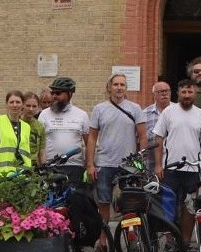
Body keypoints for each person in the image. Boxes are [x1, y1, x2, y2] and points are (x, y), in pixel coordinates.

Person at [154, 79, 201, 242]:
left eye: (190, 92)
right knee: (169, 206)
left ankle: (185, 243)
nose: (187, 95)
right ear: (178, 93)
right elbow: (158, 139)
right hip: (171, 168)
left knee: (189, 208)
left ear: (195, 93)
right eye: (184, 92)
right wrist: (158, 165)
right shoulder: (168, 112)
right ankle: (169, 243)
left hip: (193, 169)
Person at [87, 73, 147, 232]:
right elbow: (92, 138)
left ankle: (133, 240)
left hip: (129, 164)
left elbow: (142, 136)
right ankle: (103, 242)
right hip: (105, 162)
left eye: (122, 85)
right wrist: (90, 164)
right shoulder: (99, 109)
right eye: (116, 84)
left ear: (126, 88)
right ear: (109, 87)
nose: (119, 88)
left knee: (132, 202)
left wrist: (141, 162)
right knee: (104, 203)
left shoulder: (135, 108)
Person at [39, 77, 90, 184]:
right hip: (51, 166)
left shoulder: (82, 115)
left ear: (70, 94)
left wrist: (89, 165)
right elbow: (40, 143)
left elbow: (88, 143)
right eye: (52, 93)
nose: (54, 96)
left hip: (75, 167)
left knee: (74, 199)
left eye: (58, 93)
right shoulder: (44, 114)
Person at [0, 90, 35, 176]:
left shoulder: (26, 127)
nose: (15, 105)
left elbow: (26, 152)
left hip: (22, 176)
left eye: (18, 102)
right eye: (11, 102)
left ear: (23, 104)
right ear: (6, 104)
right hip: (1, 176)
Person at [143, 80, 173, 166]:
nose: (164, 94)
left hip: (172, 162)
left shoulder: (178, 111)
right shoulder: (144, 114)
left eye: (167, 91)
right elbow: (141, 138)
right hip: (151, 162)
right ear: (154, 95)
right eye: (160, 92)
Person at [21, 91, 47, 164]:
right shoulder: (15, 123)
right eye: (28, 106)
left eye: (34, 106)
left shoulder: (40, 126)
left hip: (34, 167)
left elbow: (42, 151)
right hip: (17, 165)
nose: (31, 109)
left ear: (38, 107)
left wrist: (44, 167)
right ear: (22, 105)